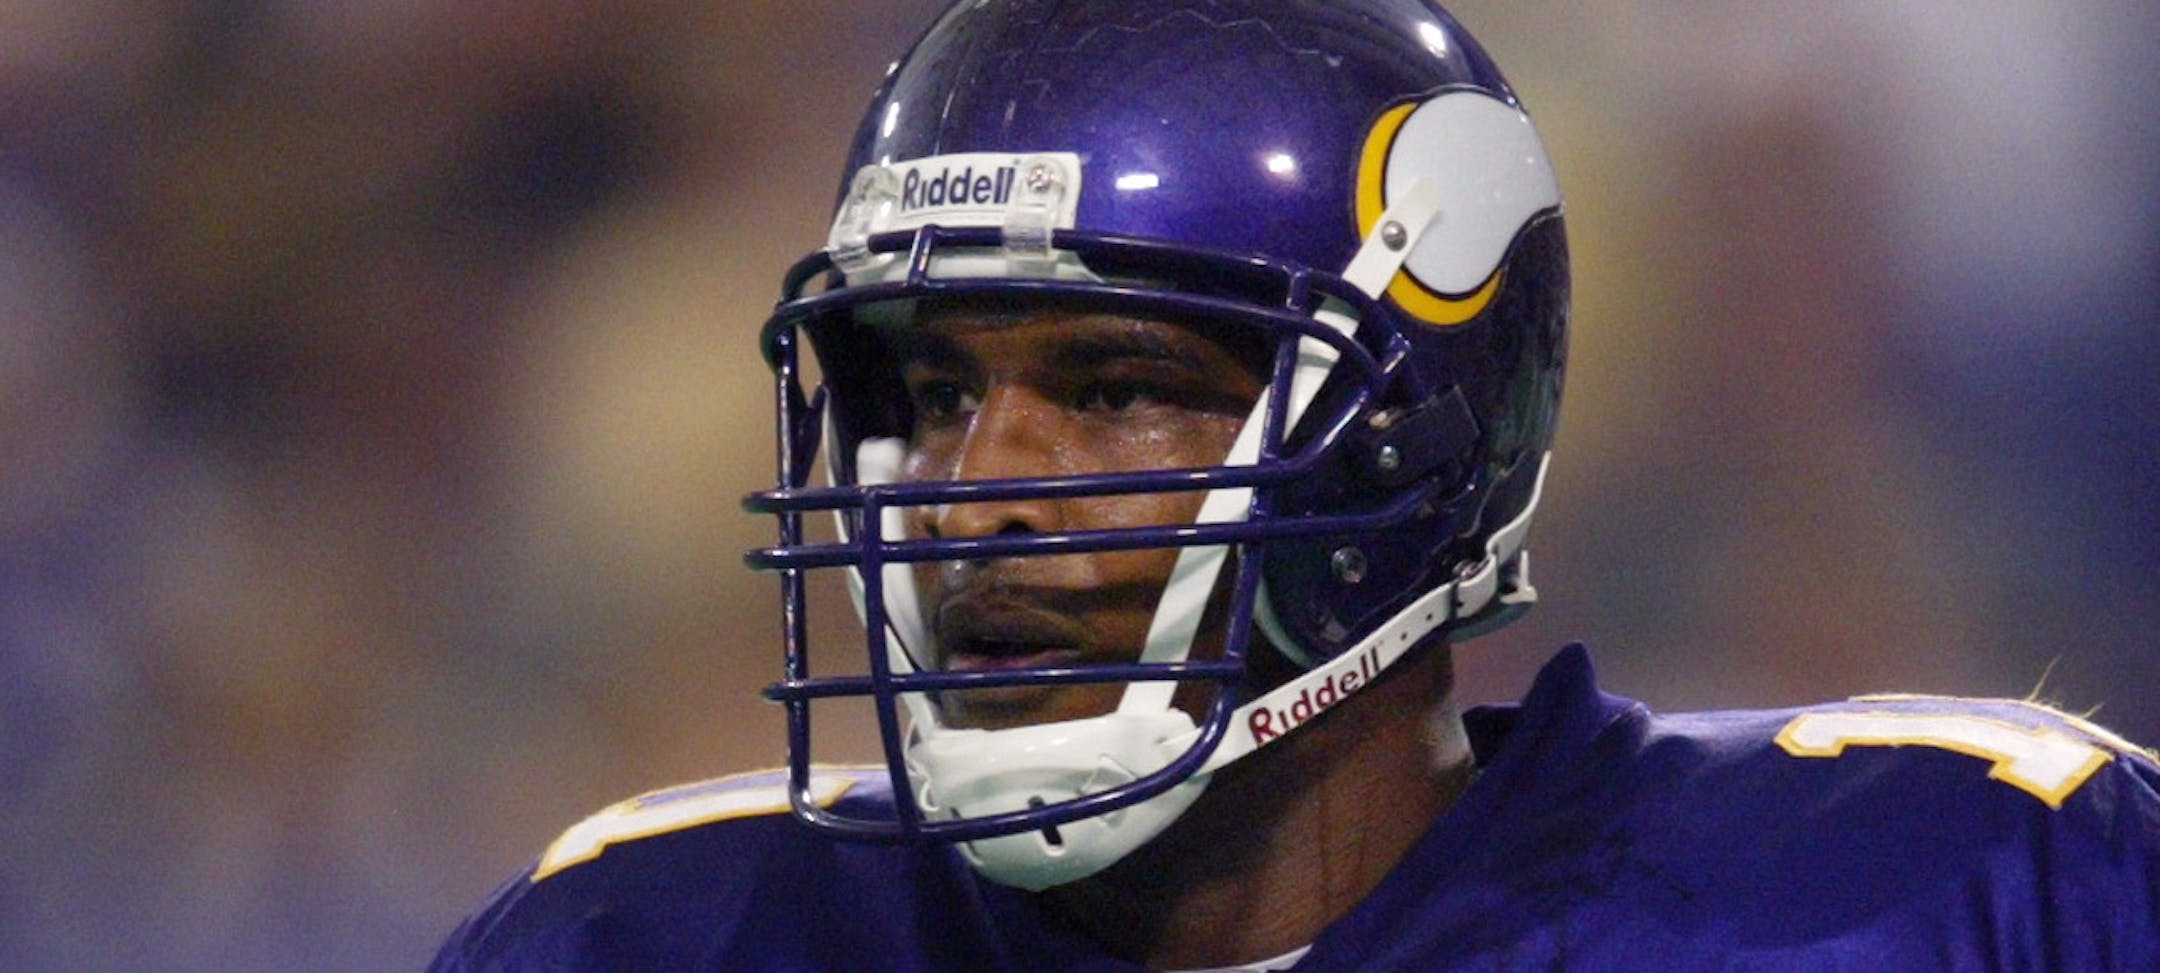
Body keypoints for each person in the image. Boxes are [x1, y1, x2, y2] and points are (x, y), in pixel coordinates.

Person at [431, 1, 2160, 969]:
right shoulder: (662, 947)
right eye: (935, 388)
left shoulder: (1962, 894)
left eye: (1113, 386)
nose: (977, 487)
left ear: (1416, 435)